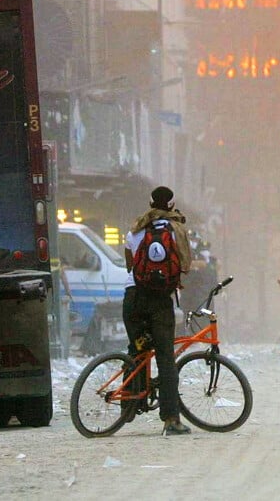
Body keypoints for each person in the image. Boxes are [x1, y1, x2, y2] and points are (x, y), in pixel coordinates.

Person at [122, 186, 192, 435]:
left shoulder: (136, 228)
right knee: (165, 358)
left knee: (136, 350)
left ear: (150, 203)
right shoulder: (178, 230)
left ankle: (128, 406)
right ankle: (171, 420)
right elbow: (185, 265)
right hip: (160, 301)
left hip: (134, 297)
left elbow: (129, 265)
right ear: (172, 205)